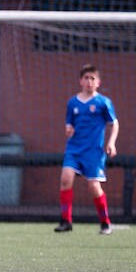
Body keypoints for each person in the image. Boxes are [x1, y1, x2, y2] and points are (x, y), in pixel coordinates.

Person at [54, 64, 119, 235]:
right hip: (74, 149)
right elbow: (69, 123)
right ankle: (66, 221)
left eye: (92, 78)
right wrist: (68, 129)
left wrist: (111, 143)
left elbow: (114, 124)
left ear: (98, 82)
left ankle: (105, 222)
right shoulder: (73, 102)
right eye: (86, 78)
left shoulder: (103, 102)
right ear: (80, 81)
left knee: (93, 187)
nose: (89, 81)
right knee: (66, 179)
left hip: (94, 152)